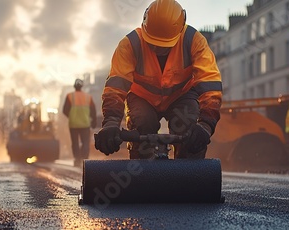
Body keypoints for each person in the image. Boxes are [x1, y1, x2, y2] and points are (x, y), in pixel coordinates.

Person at [94, 0, 222, 159]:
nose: (158, 49)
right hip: (142, 98)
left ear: (180, 31)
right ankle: (142, 173)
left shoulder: (194, 41)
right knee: (142, 126)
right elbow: (116, 87)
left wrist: (205, 125)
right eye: (153, 43)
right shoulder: (130, 45)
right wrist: (111, 123)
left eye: (165, 45)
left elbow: (210, 84)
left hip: (181, 96)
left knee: (189, 132)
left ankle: (188, 174)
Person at [63, 78, 96, 167]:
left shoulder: (70, 96)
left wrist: (71, 117)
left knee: (75, 143)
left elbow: (64, 110)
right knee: (85, 142)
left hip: (73, 124)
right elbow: (93, 111)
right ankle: (84, 159)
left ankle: (77, 159)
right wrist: (93, 122)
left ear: (74, 86)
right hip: (85, 123)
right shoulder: (88, 97)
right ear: (82, 86)